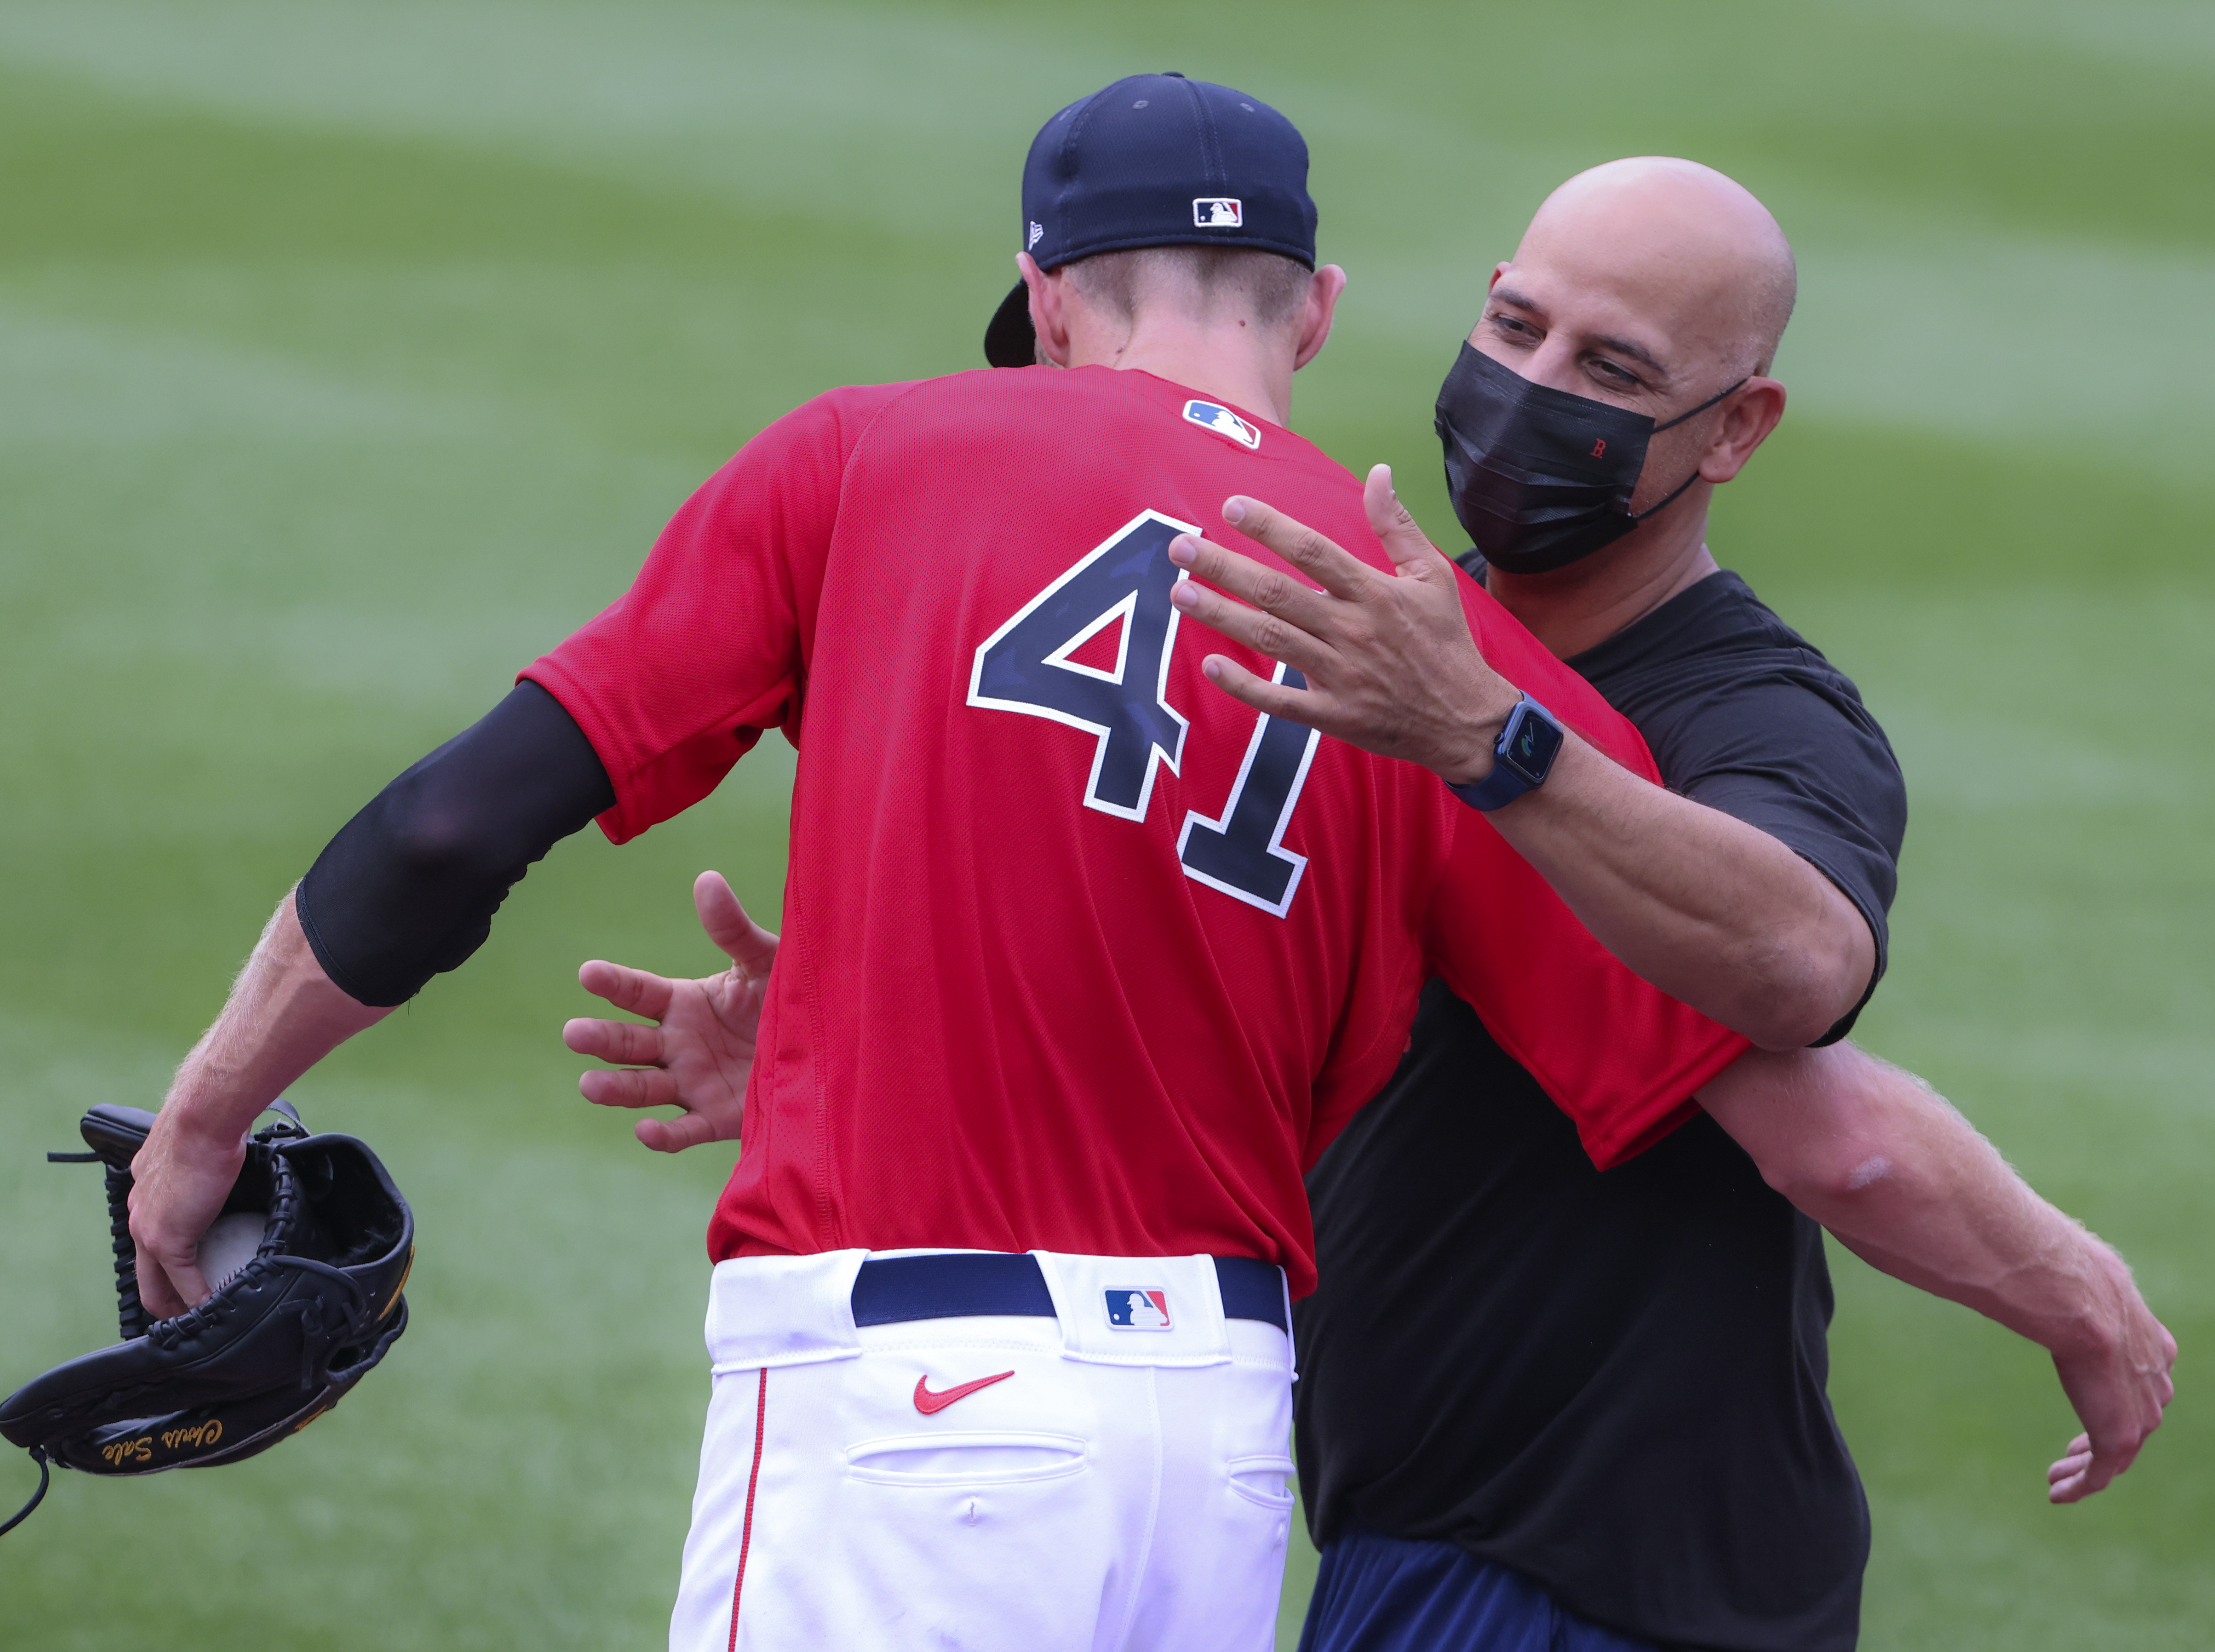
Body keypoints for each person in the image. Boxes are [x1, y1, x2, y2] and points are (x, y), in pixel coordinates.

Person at [122, 79, 1770, 1652]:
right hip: (1217, 1446)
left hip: (907, 1408)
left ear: (1043, 299)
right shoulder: (1435, 646)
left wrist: (205, 1116)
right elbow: (1762, 1052)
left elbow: (449, 828)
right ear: (1316, 310)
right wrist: (2044, 1280)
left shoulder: (865, 457)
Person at [1161, 158, 2176, 1650]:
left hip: (1593, 1560)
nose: (1529, 389)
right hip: (1426, 1528)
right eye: (1515, 326)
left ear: (1737, 428)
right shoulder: (1398, 644)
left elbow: (1798, 975)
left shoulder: (1757, 717)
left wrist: (1488, 737)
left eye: (1613, 369)